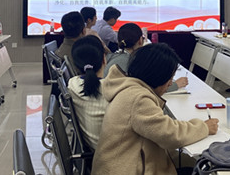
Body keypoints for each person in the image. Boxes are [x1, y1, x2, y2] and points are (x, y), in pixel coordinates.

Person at [93, 43, 218, 175]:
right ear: (157, 76)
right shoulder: (138, 98)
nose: (170, 83)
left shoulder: (128, 89)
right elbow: (170, 134)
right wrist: (204, 127)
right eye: (170, 78)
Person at [104, 23, 188, 92]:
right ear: (140, 40)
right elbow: (147, 88)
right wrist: (175, 85)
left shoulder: (112, 56)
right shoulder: (132, 62)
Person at [68, 36, 109, 150]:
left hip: (92, 147)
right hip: (112, 151)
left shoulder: (72, 84)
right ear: (104, 59)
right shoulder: (113, 89)